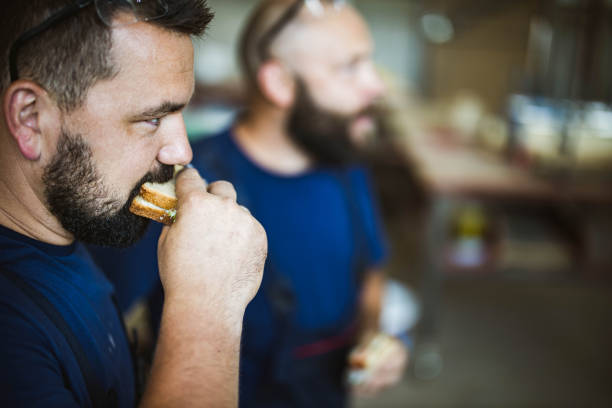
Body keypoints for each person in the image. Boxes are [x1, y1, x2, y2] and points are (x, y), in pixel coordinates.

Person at [89, 0, 410, 406]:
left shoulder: (347, 167)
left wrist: (373, 336)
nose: (376, 86)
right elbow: (99, 326)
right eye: (350, 66)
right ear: (280, 84)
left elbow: (371, 276)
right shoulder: (177, 181)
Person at [0, 1, 267, 407]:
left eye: (181, 113)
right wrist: (208, 306)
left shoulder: (66, 228)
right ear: (31, 118)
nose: (182, 152)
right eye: (152, 119)